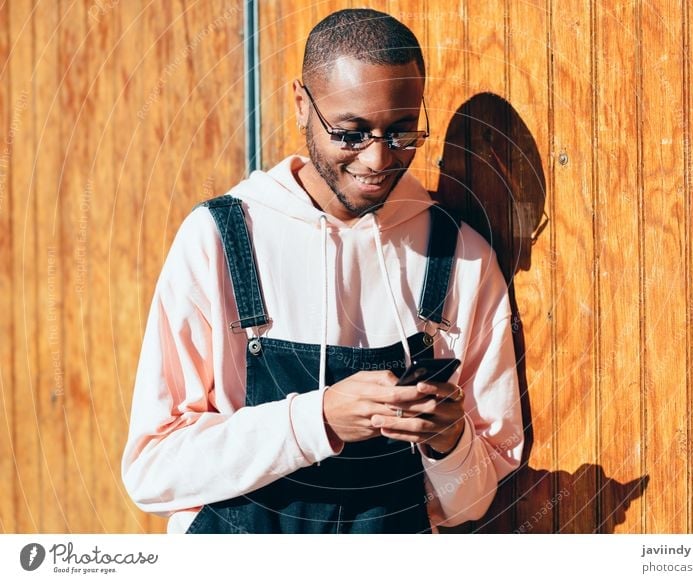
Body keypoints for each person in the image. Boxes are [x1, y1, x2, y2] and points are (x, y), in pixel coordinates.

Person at [122, 7, 523, 534]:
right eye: (351, 133)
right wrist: (319, 420)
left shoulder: (462, 259)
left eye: (402, 132)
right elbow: (153, 471)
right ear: (300, 105)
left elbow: (471, 503)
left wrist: (447, 442)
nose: (378, 160)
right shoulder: (220, 239)